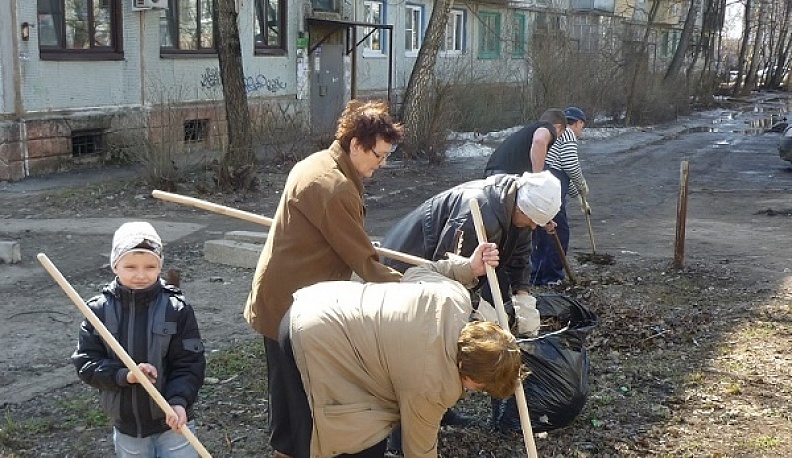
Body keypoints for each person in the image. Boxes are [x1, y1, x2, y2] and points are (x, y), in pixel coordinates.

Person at [244, 99, 405, 458]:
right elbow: (364, 262)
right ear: (356, 145)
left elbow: (340, 238)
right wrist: (411, 292)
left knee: (286, 398)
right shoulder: (333, 187)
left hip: (282, 294)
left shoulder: (321, 163)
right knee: (296, 404)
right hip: (289, 306)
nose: (381, 164)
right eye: (378, 155)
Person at [275, 242, 523, 458]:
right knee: (355, 442)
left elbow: (418, 272)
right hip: (317, 342)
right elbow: (419, 449)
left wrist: (468, 269)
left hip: (318, 302)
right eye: (479, 388)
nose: (474, 392)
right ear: (465, 370)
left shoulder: (454, 298)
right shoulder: (434, 382)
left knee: (300, 424)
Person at [72, 221, 206, 458]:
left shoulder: (176, 309)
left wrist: (178, 401)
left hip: (173, 423)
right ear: (115, 265)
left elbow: (190, 363)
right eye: (131, 266)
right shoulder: (98, 311)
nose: (141, 275)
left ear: (160, 266)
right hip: (128, 428)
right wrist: (125, 375)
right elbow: (86, 363)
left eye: (150, 266)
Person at [381, 171, 562, 321]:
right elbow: (449, 272)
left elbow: (520, 257)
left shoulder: (516, 206)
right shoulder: (475, 215)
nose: (532, 227)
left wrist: (523, 300)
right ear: (520, 208)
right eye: (531, 221)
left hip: (439, 271)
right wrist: (479, 308)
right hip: (402, 269)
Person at [530, 106, 591, 286]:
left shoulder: (554, 135)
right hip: (551, 185)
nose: (581, 131)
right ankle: (553, 277)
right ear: (578, 123)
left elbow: (562, 169)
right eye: (582, 126)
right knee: (559, 231)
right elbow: (570, 166)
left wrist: (578, 198)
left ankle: (537, 275)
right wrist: (582, 186)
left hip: (545, 180)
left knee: (541, 231)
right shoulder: (568, 135)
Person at [484, 109, 567, 176]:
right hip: (505, 179)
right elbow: (539, 141)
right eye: (559, 136)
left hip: (490, 176)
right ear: (558, 127)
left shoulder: (526, 131)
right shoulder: (548, 127)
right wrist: (538, 178)